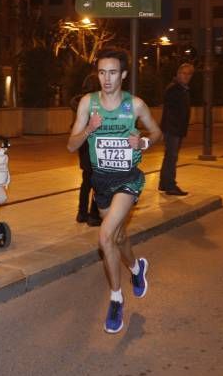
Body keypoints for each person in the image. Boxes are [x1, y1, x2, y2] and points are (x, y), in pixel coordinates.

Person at [67, 47, 162, 334]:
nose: (106, 79)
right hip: (102, 181)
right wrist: (89, 129)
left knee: (105, 236)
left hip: (128, 179)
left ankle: (116, 299)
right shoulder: (88, 103)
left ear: (122, 74)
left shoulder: (135, 105)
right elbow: (71, 145)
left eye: (112, 72)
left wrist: (143, 143)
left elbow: (157, 133)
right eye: (101, 72)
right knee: (118, 236)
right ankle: (136, 269)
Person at [70, 73, 101, 225]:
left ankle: (82, 213)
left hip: (83, 146)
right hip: (95, 146)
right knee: (98, 182)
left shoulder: (79, 103)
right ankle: (94, 215)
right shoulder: (97, 103)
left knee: (86, 182)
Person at [159, 63, 194, 196]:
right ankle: (170, 185)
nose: (186, 76)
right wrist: (175, 128)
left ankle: (164, 183)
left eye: (189, 74)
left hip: (176, 129)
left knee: (169, 156)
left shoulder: (183, 89)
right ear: (178, 74)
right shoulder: (174, 89)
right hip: (172, 129)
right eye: (183, 73)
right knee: (171, 157)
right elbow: (173, 112)